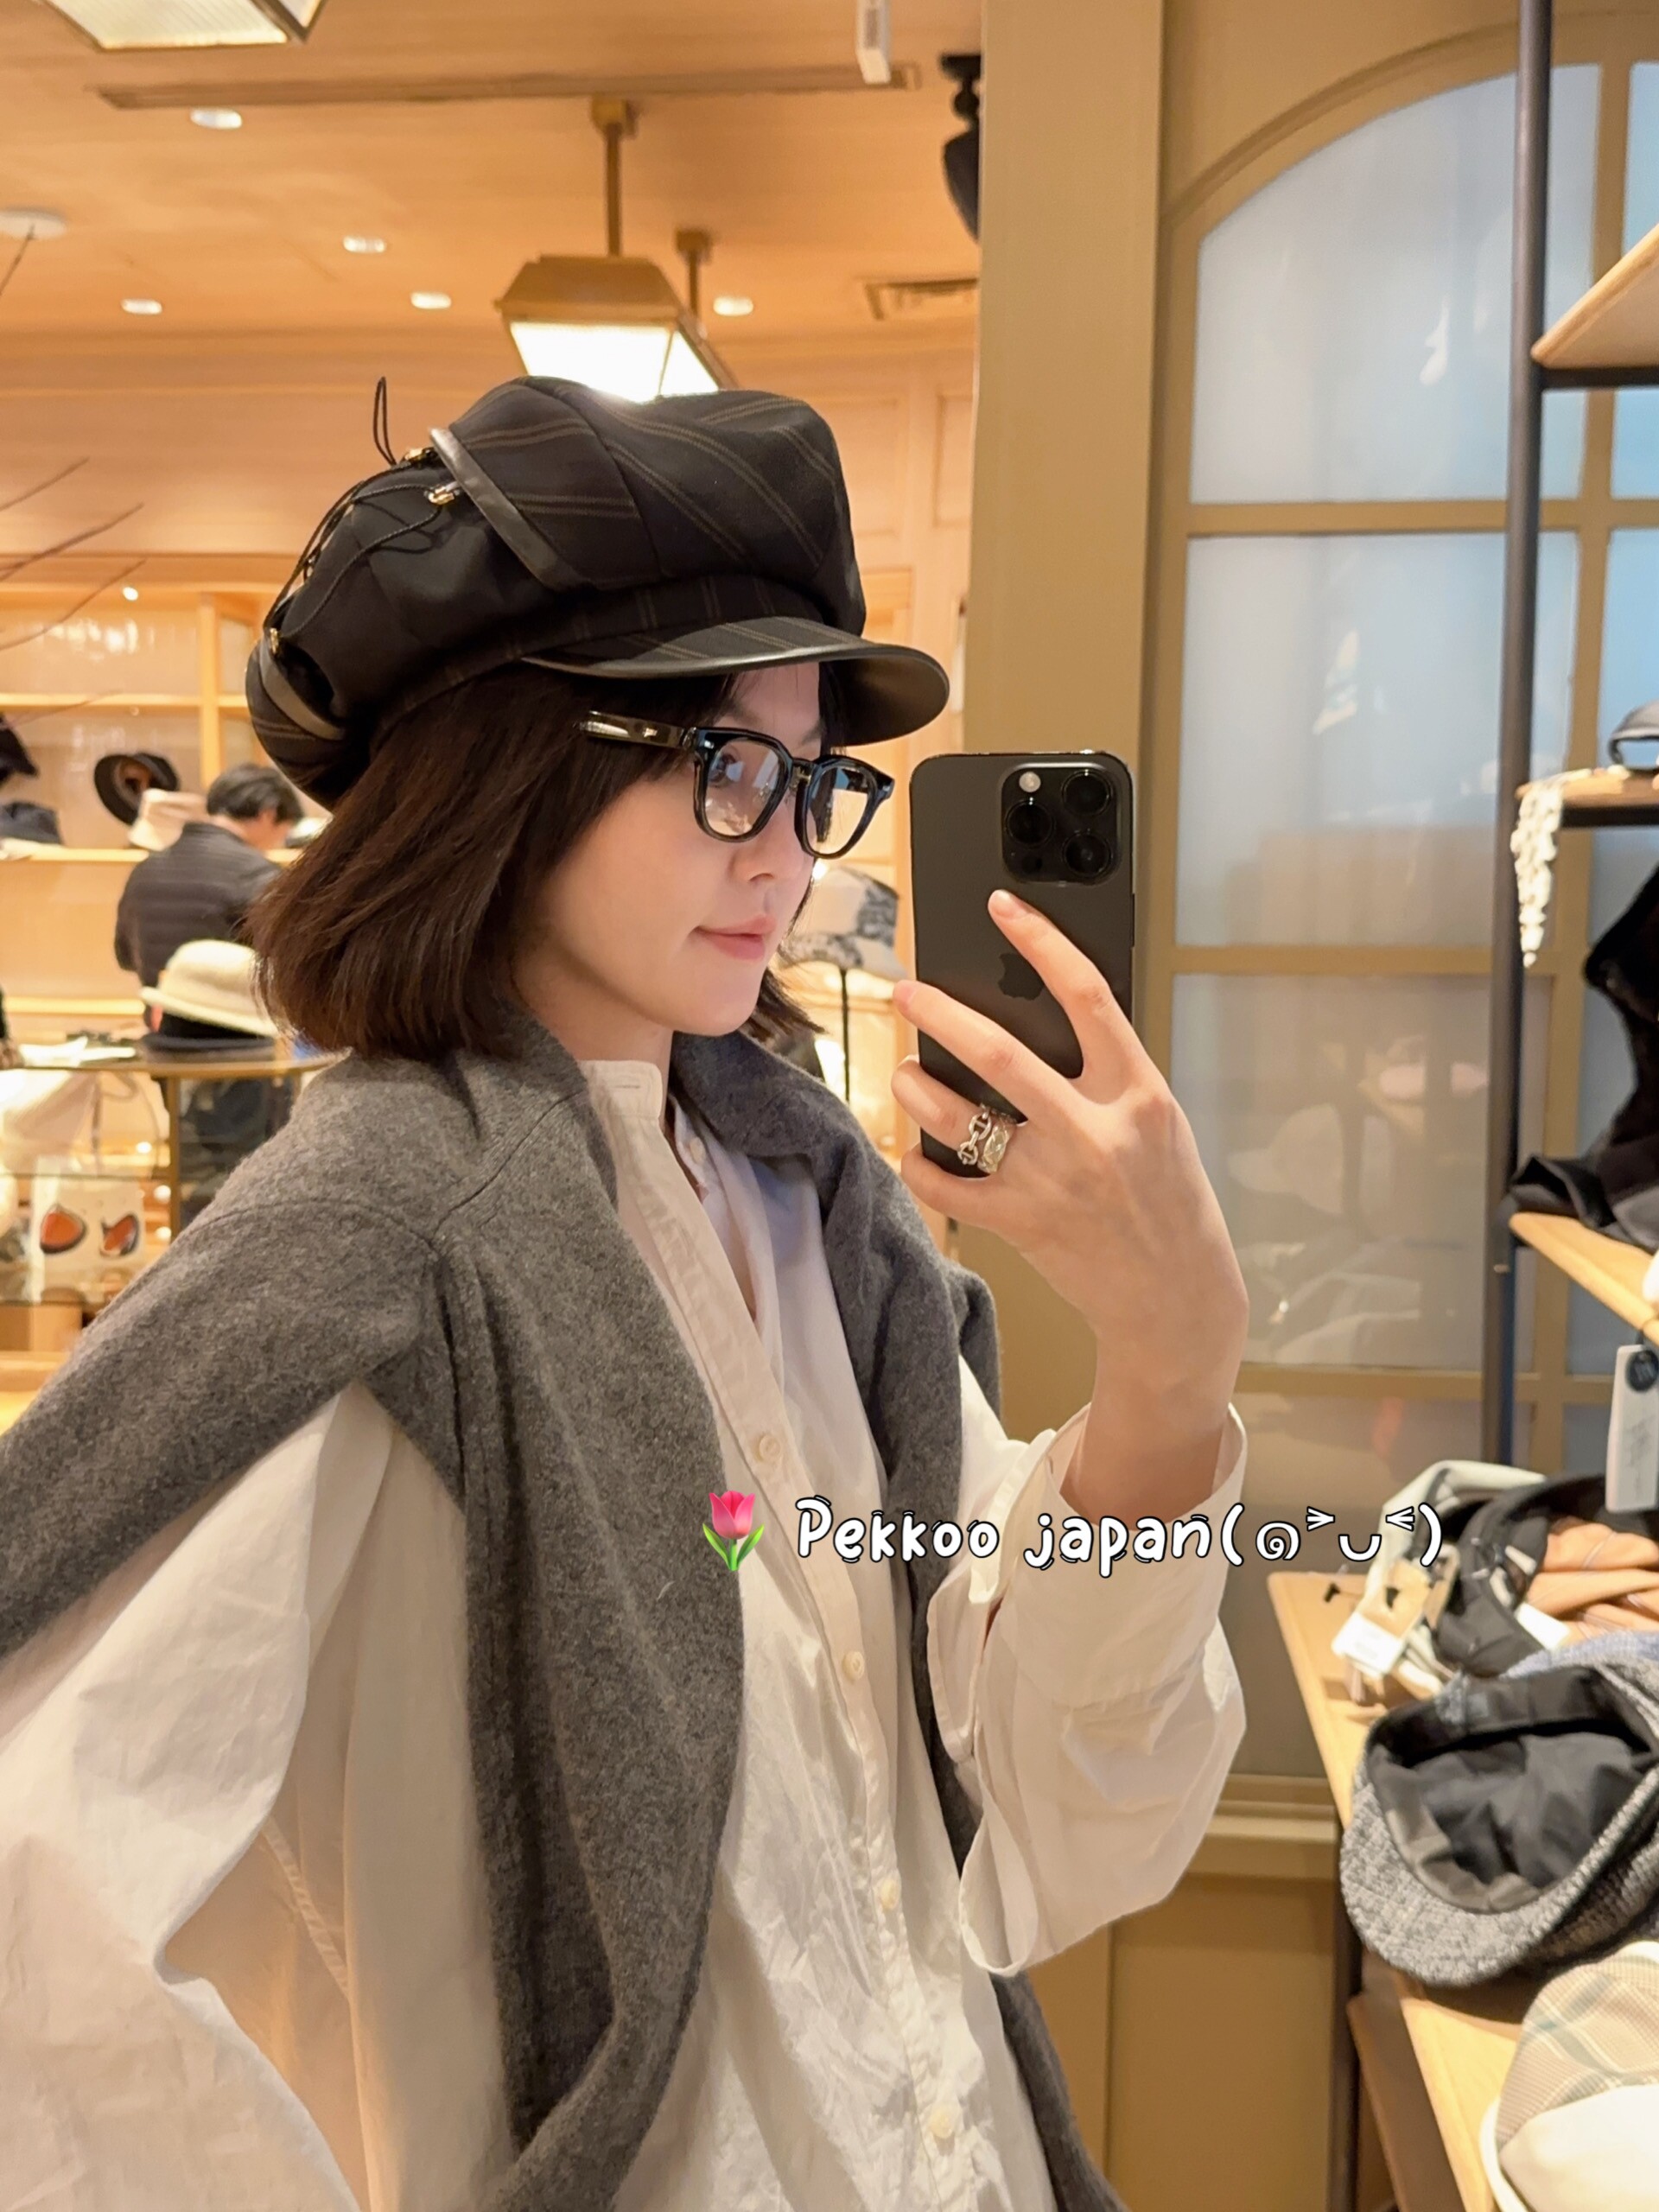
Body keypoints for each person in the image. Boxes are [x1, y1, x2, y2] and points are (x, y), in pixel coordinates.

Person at [0, 379, 1249, 2212]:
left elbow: (1049, 1788)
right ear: (508, 761)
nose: (787, 852)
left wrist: (1169, 1371)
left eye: (812, 778)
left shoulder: (813, 1204)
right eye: (727, 764)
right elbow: (49, 1929)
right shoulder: (385, 1249)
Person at [112, 761, 303, 991]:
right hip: (230, 1011)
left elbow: (125, 957)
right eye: (285, 830)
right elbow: (288, 960)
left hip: (160, 1008)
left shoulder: (145, 871)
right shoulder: (258, 873)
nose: (281, 841)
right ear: (268, 814)